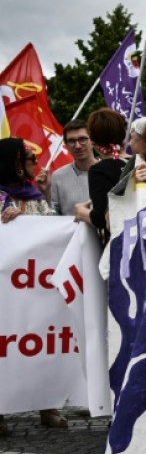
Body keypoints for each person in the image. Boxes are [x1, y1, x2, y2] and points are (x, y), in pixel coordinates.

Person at [0, 137, 66, 434]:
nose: (35, 164)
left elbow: (52, 227)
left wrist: (28, 216)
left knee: (39, 340)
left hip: (35, 286)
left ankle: (47, 404)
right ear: (14, 163)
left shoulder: (35, 195)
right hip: (6, 289)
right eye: (29, 159)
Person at [74, 109, 130, 244]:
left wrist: (81, 212)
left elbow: (100, 218)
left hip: (123, 244)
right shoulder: (141, 161)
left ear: (92, 140)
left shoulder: (100, 170)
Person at [36, 119, 97, 216]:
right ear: (66, 145)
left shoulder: (109, 171)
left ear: (92, 141)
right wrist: (46, 192)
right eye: (71, 141)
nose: (77, 146)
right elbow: (53, 218)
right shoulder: (58, 176)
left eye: (82, 139)